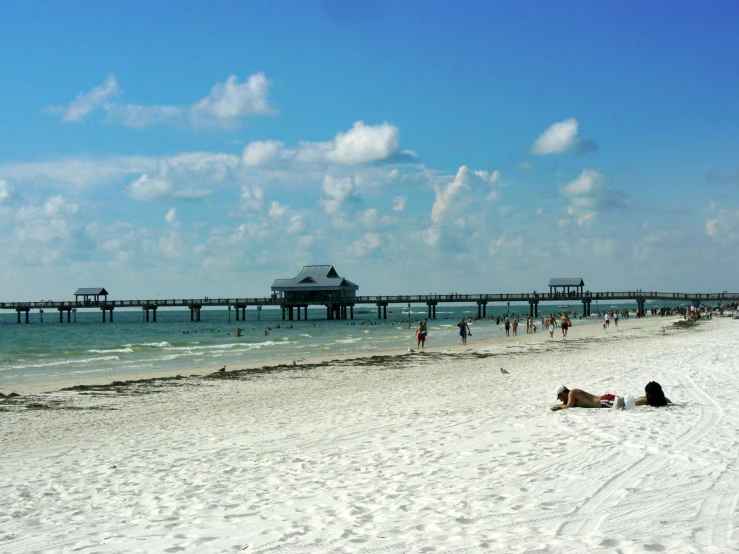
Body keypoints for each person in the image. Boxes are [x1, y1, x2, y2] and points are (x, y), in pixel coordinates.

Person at [552, 382, 672, 411]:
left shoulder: (572, 393)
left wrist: (558, 407)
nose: (560, 399)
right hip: (604, 401)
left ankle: (652, 399)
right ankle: (653, 399)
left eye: (560, 397)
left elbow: (568, 406)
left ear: (563, 393)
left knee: (628, 403)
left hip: (604, 401)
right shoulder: (573, 395)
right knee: (630, 402)